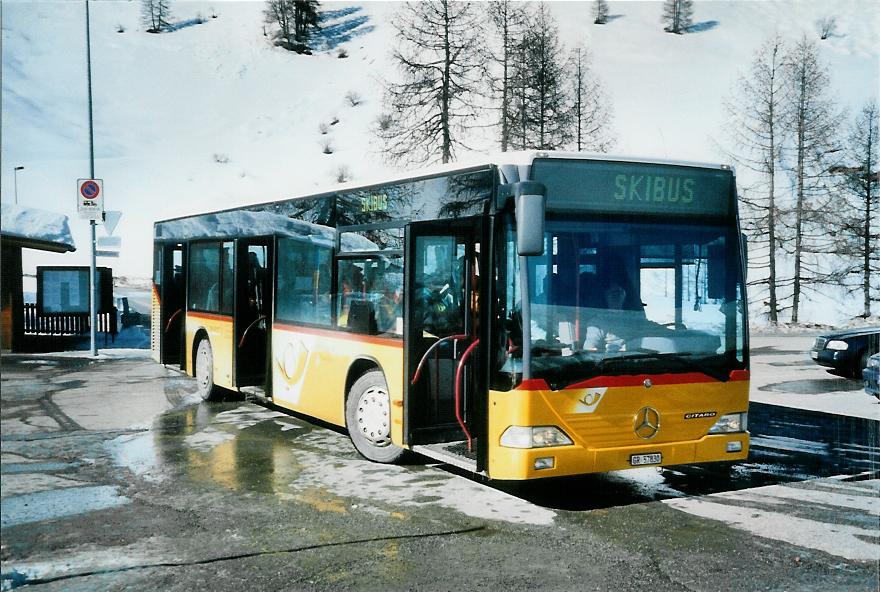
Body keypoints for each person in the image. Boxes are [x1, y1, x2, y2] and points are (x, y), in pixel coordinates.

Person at [583, 282, 629, 352]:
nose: (616, 296)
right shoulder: (597, 322)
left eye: (619, 292)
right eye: (612, 293)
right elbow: (589, 349)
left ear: (625, 295)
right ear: (605, 296)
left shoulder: (633, 318)